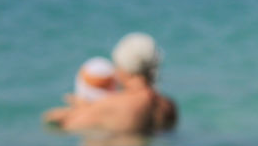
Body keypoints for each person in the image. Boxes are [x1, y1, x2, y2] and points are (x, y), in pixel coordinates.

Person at [43, 33, 178, 137]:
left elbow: (65, 125)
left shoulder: (112, 105)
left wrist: (80, 109)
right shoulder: (169, 106)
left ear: (123, 67)